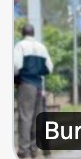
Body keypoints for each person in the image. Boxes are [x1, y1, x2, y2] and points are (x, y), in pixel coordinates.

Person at [14, 23, 53, 159]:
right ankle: (34, 150)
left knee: (25, 117)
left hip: (26, 84)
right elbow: (49, 67)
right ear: (33, 33)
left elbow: (16, 65)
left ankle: (23, 151)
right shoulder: (41, 47)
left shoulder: (20, 45)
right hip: (38, 85)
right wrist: (38, 73)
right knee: (37, 118)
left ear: (22, 33)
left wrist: (16, 79)